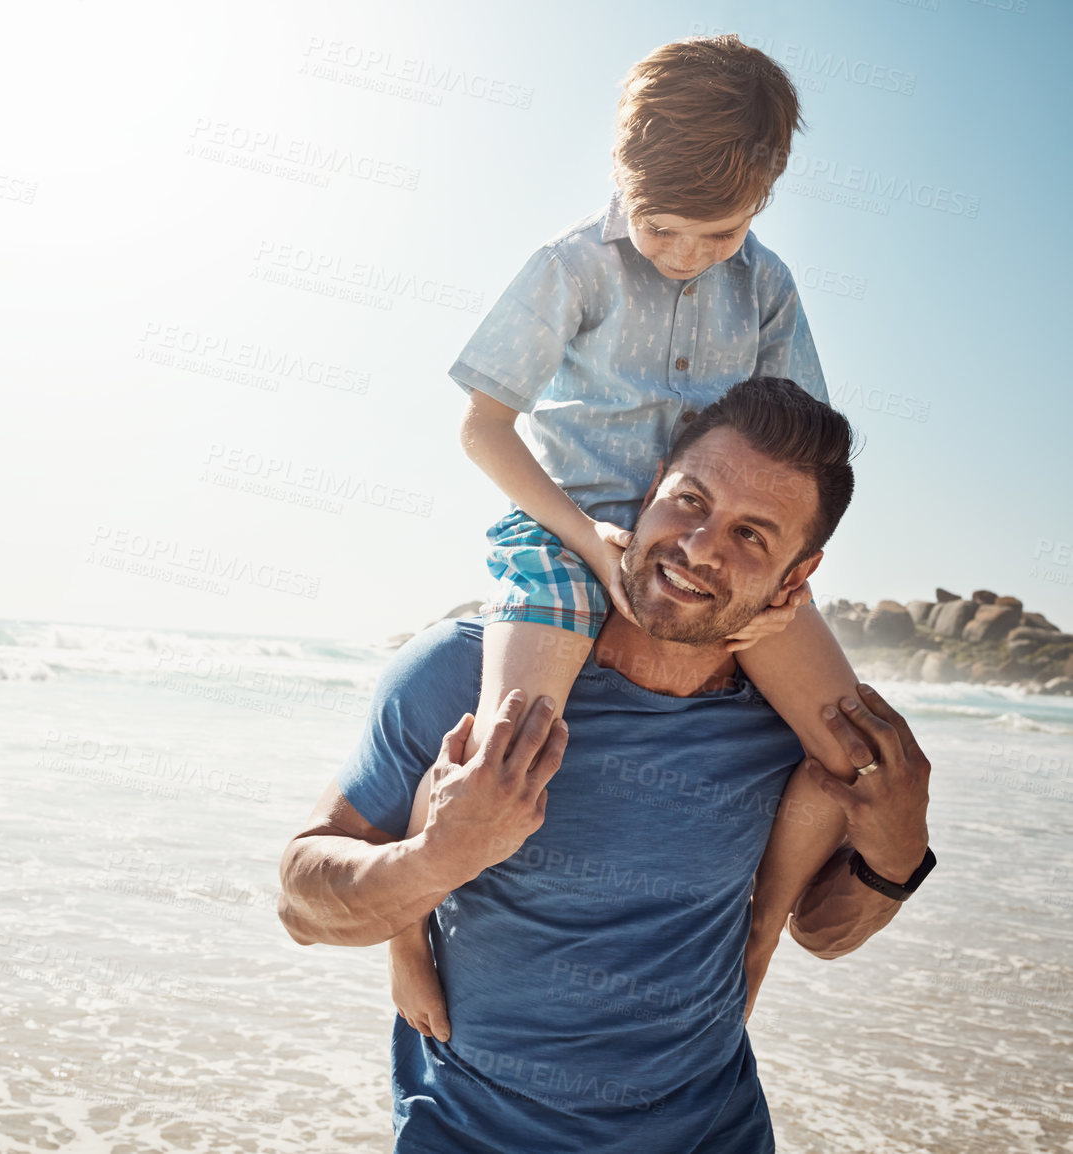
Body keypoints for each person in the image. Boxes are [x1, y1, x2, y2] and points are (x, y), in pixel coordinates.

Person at [278, 378, 935, 1152]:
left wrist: (898, 850)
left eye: (753, 536)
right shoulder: (467, 677)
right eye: (691, 501)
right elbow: (300, 907)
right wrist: (436, 860)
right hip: (471, 1131)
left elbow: (823, 934)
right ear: (653, 488)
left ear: (797, 577)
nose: (699, 548)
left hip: (712, 1131)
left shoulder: (793, 731)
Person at [387, 34, 883, 1039]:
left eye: (719, 232)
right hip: (570, 531)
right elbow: (483, 426)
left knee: (848, 747)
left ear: (766, 194)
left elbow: (808, 446)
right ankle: (405, 929)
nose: (688, 254)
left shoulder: (769, 285)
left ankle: (755, 939)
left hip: (719, 551)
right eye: (663, 228)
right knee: (497, 754)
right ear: (620, 170)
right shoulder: (569, 268)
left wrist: (779, 570)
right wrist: (584, 537)